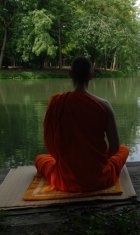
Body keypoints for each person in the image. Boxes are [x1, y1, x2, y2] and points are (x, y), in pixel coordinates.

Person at [34, 57, 129, 192]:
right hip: (99, 178)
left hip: (66, 180)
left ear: (70, 74)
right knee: (123, 149)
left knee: (40, 159)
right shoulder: (104, 105)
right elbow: (114, 148)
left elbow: (51, 145)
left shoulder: (57, 102)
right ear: (91, 76)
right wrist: (97, 161)